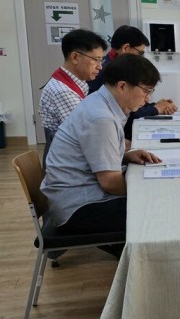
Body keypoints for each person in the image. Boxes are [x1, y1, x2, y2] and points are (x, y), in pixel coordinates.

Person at [42, 54, 163, 240]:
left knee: (153, 198)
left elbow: (91, 155)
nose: (148, 99)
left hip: (78, 195)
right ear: (122, 86)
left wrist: (125, 156)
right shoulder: (101, 118)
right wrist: (145, 192)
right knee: (157, 210)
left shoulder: (100, 102)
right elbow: (110, 183)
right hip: (79, 208)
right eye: (146, 91)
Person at [39, 29, 109, 154]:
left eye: (101, 60)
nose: (100, 67)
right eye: (96, 60)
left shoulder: (76, 82)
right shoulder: (62, 91)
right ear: (75, 57)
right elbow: (87, 134)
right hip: (66, 161)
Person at [88, 25, 178, 119]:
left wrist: (156, 106)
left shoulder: (114, 65)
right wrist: (156, 109)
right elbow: (127, 110)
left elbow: (129, 102)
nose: (140, 58)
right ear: (126, 48)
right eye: (140, 53)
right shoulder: (108, 71)